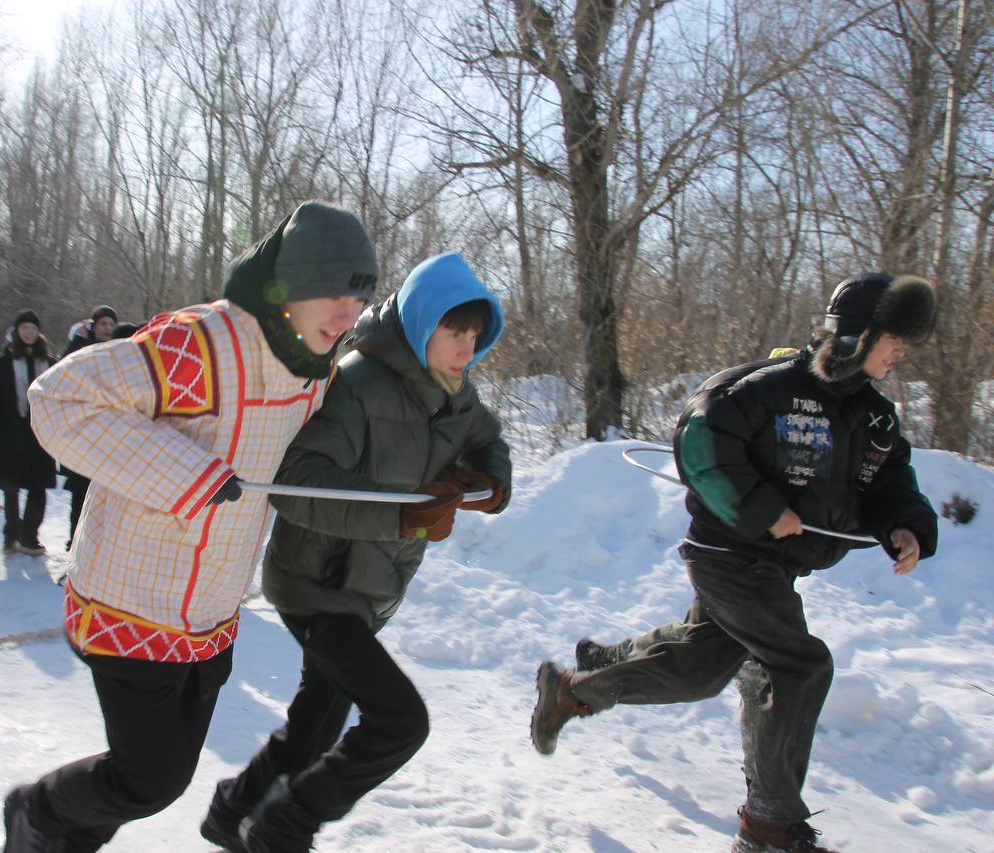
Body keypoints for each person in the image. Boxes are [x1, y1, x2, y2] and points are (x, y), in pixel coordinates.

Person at [3, 200, 378, 852]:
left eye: (361, 295)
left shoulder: (315, 365)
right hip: (131, 599)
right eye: (335, 293)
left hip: (210, 613)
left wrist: (430, 485)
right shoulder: (199, 344)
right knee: (151, 780)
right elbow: (57, 401)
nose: (349, 313)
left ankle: (56, 840)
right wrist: (186, 474)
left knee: (146, 778)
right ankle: (33, 809)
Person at [530, 272, 941, 853]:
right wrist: (764, 509)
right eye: (893, 338)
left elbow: (891, 482)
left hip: (774, 568)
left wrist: (906, 525)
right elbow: (701, 440)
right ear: (856, 335)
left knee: (700, 669)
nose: (901, 351)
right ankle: (770, 827)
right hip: (730, 554)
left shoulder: (876, 418)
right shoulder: (773, 389)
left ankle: (573, 692)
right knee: (801, 665)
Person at [202, 252, 512, 853]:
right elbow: (299, 482)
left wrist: (491, 482)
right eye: (455, 330)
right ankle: (284, 827)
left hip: (368, 589)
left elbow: (488, 439)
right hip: (317, 584)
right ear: (423, 324)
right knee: (400, 722)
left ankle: (232, 811)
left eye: (475, 332)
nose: (466, 346)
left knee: (315, 726)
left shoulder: (454, 394)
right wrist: (405, 510)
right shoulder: (358, 381)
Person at [0, 310, 58, 556]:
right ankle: (11, 534)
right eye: (24, 328)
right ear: (16, 332)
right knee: (11, 486)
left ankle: (30, 536)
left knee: (38, 487)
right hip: (11, 433)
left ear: (39, 332)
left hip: (40, 434)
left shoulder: (49, 363)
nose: (29, 333)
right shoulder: (4, 363)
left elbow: (60, 396)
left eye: (33, 329)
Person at [60, 305, 120, 550]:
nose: (106, 329)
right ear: (93, 327)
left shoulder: (118, 351)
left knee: (103, 493)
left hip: (108, 435)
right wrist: (78, 340)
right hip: (83, 433)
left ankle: (98, 541)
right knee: (80, 492)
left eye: (110, 325)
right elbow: (66, 372)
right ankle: (75, 539)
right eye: (102, 324)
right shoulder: (80, 351)